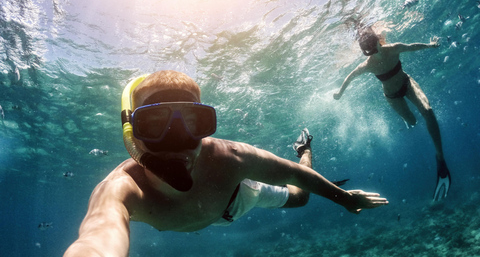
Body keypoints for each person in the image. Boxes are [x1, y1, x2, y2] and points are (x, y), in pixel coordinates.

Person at [64, 70, 388, 257]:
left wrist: (344, 199)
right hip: (213, 208)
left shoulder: (230, 159)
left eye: (193, 123)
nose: (177, 141)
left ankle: (304, 147)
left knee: (301, 197)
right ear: (134, 135)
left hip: (235, 197)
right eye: (154, 125)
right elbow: (96, 239)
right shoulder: (122, 188)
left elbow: (294, 173)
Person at [333, 24, 451, 201]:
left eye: (374, 49)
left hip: (407, 83)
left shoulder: (393, 48)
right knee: (412, 122)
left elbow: (412, 47)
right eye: (368, 52)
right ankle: (408, 120)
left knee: (428, 110)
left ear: (378, 42)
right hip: (392, 96)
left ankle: (440, 157)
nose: (373, 54)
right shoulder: (367, 65)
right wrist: (339, 93)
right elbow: (349, 77)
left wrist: (430, 45)